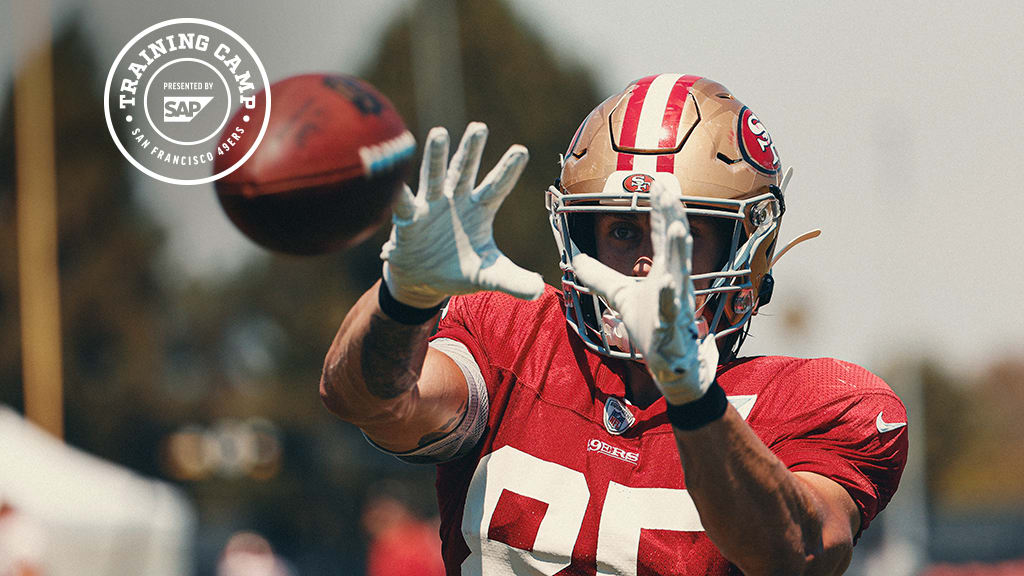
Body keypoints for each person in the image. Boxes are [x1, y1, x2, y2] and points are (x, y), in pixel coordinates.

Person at [320, 74, 908, 576]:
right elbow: (371, 402)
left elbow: (796, 555)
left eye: (680, 232)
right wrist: (403, 301)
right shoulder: (515, 338)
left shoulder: (820, 402)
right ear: (582, 237)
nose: (648, 263)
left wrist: (694, 399)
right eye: (623, 231)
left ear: (744, 253)